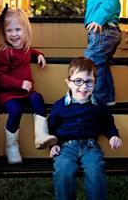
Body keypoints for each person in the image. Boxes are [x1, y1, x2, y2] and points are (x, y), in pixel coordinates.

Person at [49, 57, 122, 200]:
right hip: (66, 147)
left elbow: (108, 123)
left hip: (90, 147)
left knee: (95, 172)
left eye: (89, 82)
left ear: (95, 83)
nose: (83, 87)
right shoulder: (59, 106)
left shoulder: (99, 106)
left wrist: (113, 135)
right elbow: (52, 127)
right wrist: (53, 145)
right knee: (63, 170)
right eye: (78, 81)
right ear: (68, 83)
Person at [0, 6, 57, 164]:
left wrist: (39, 54)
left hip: (26, 93)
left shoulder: (24, 49)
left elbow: (30, 52)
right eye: (9, 31)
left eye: (18, 29)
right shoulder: (4, 52)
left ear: (25, 31)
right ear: (4, 33)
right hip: (9, 94)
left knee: (37, 98)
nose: (14, 34)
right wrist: (19, 83)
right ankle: (11, 146)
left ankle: (41, 135)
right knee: (16, 110)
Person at [80, 0, 122, 106]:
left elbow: (110, 2)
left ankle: (99, 98)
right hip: (104, 31)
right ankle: (108, 98)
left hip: (104, 30)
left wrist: (98, 19)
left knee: (91, 62)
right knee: (101, 64)